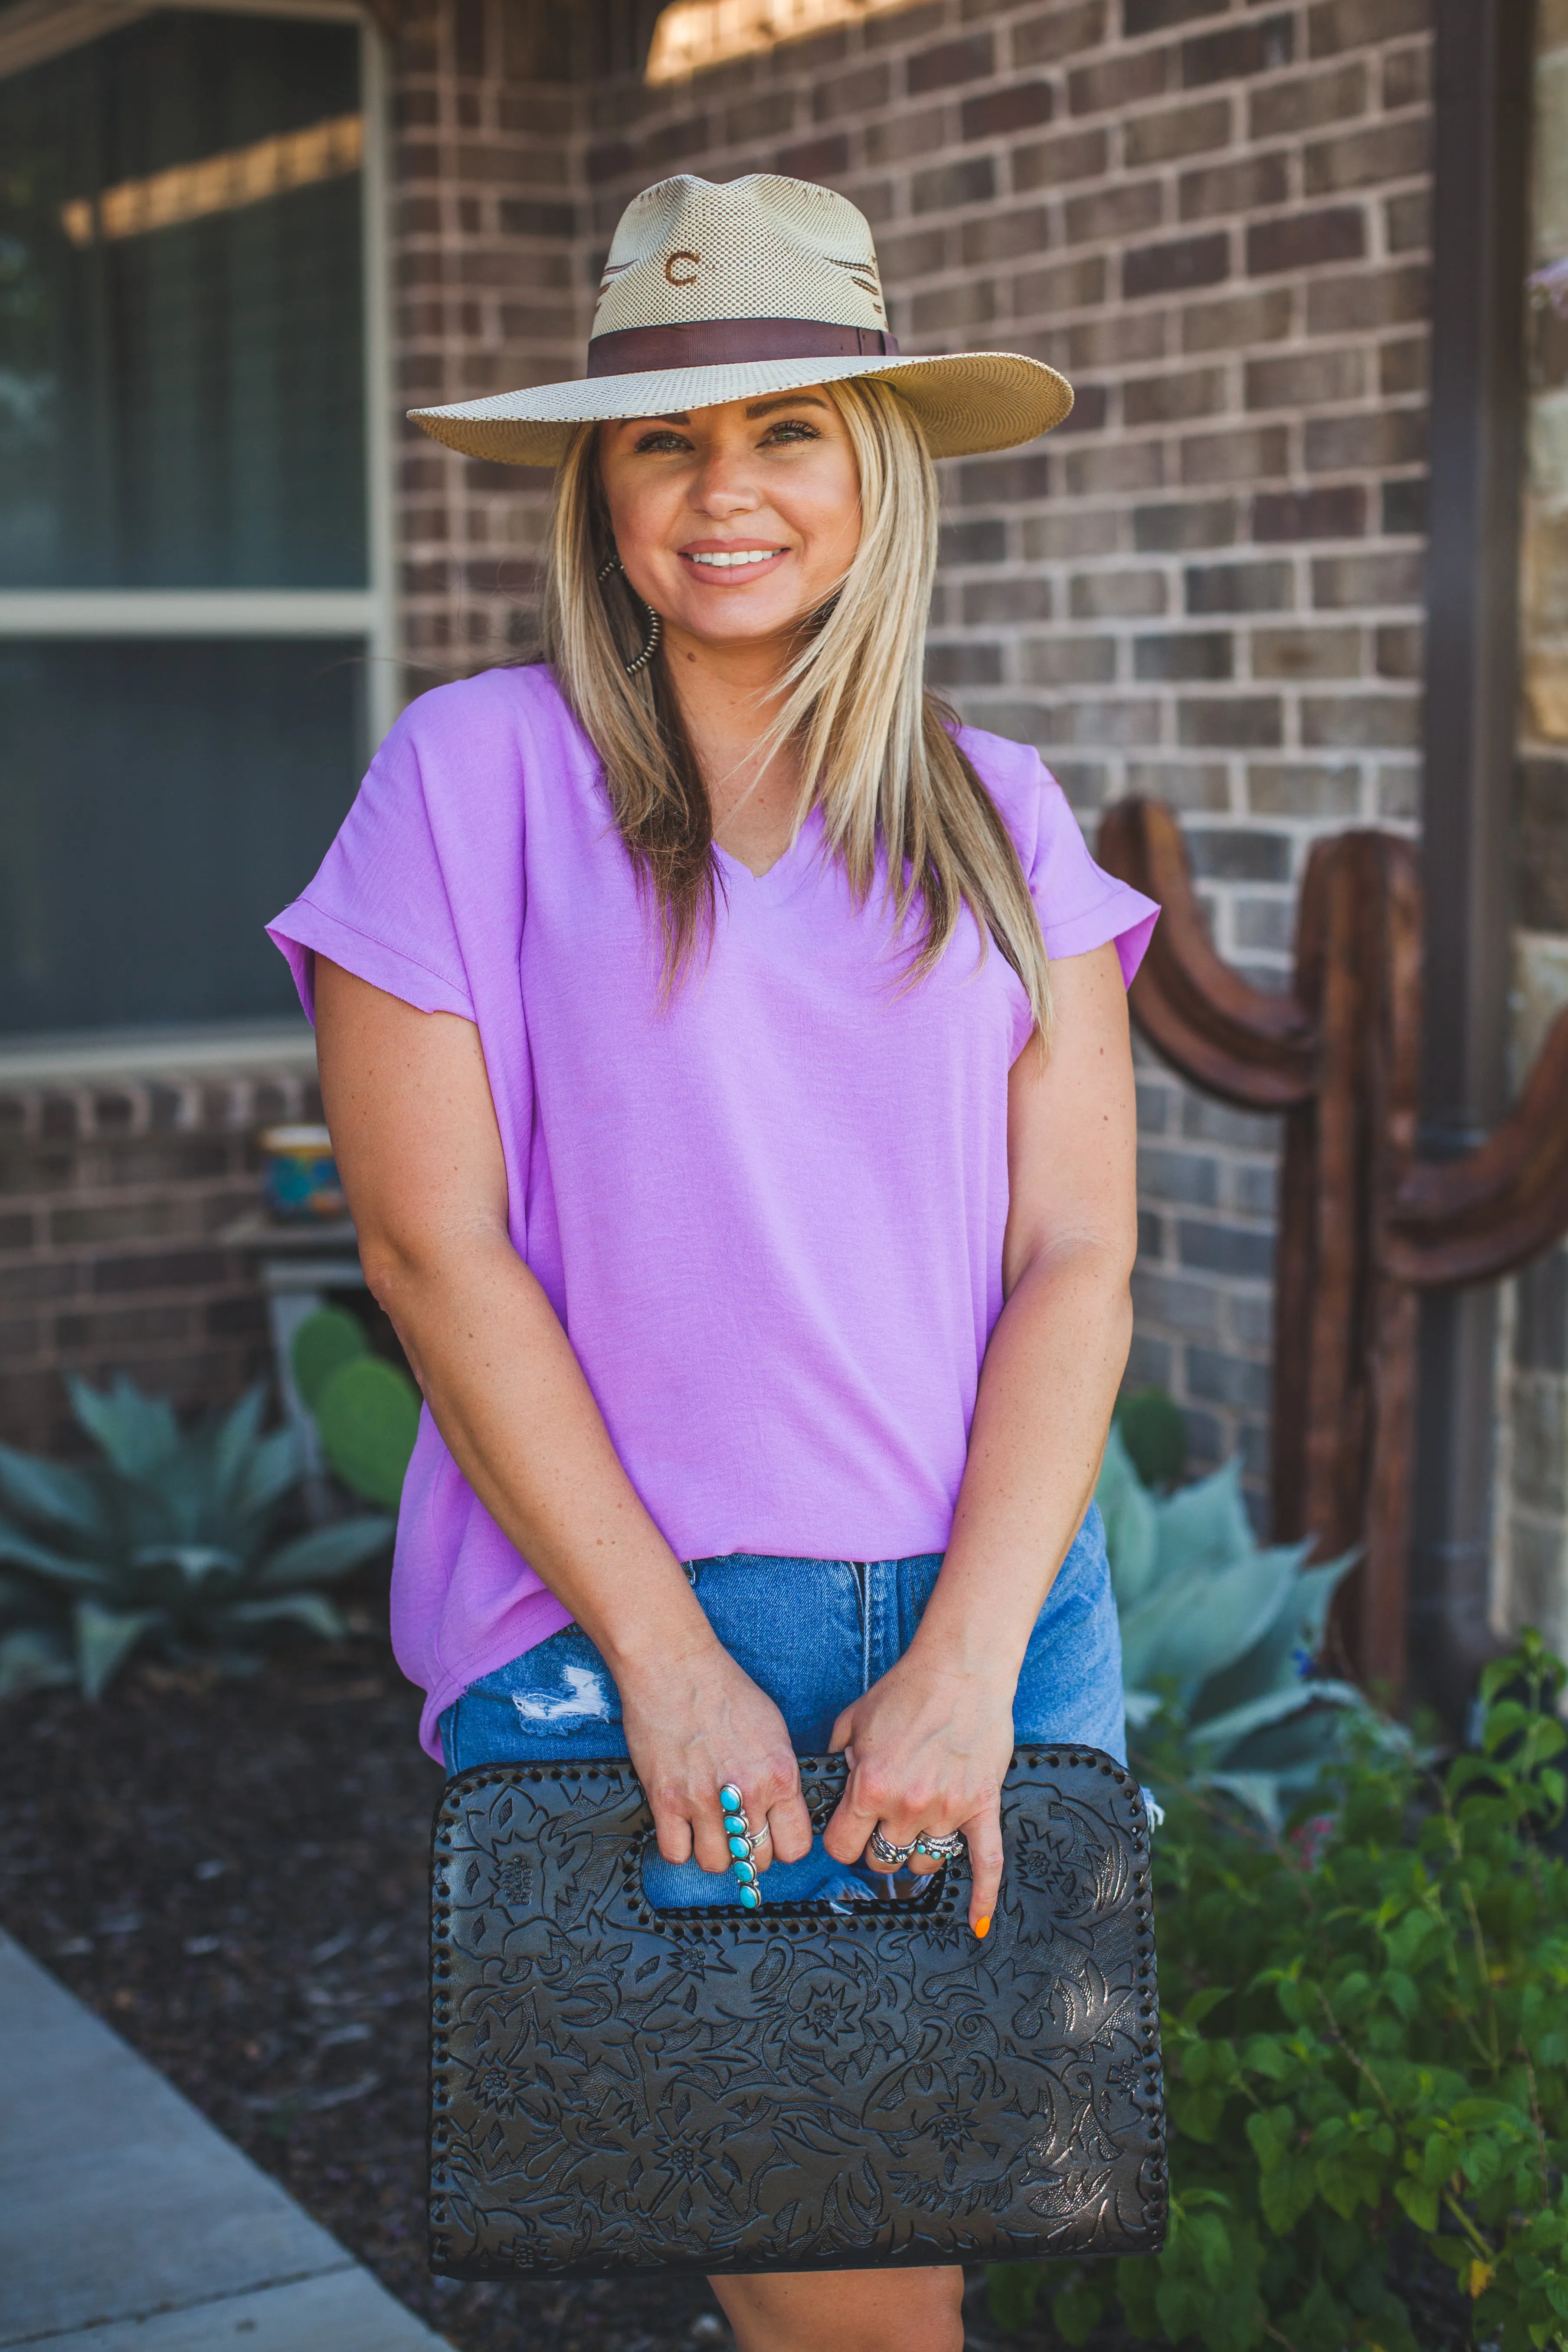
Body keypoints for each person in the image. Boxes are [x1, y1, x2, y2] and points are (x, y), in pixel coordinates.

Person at [268, 173, 1158, 2352]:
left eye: (788, 428)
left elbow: (1078, 1256)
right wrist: (670, 1660)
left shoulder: (1004, 810)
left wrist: (966, 1656)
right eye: (665, 436)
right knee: (853, 2310)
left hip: (995, 1630)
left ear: (882, 468)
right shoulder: (468, 774)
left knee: (904, 2261)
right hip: (634, 1620)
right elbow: (429, 1240)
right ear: (600, 484)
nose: (724, 487)